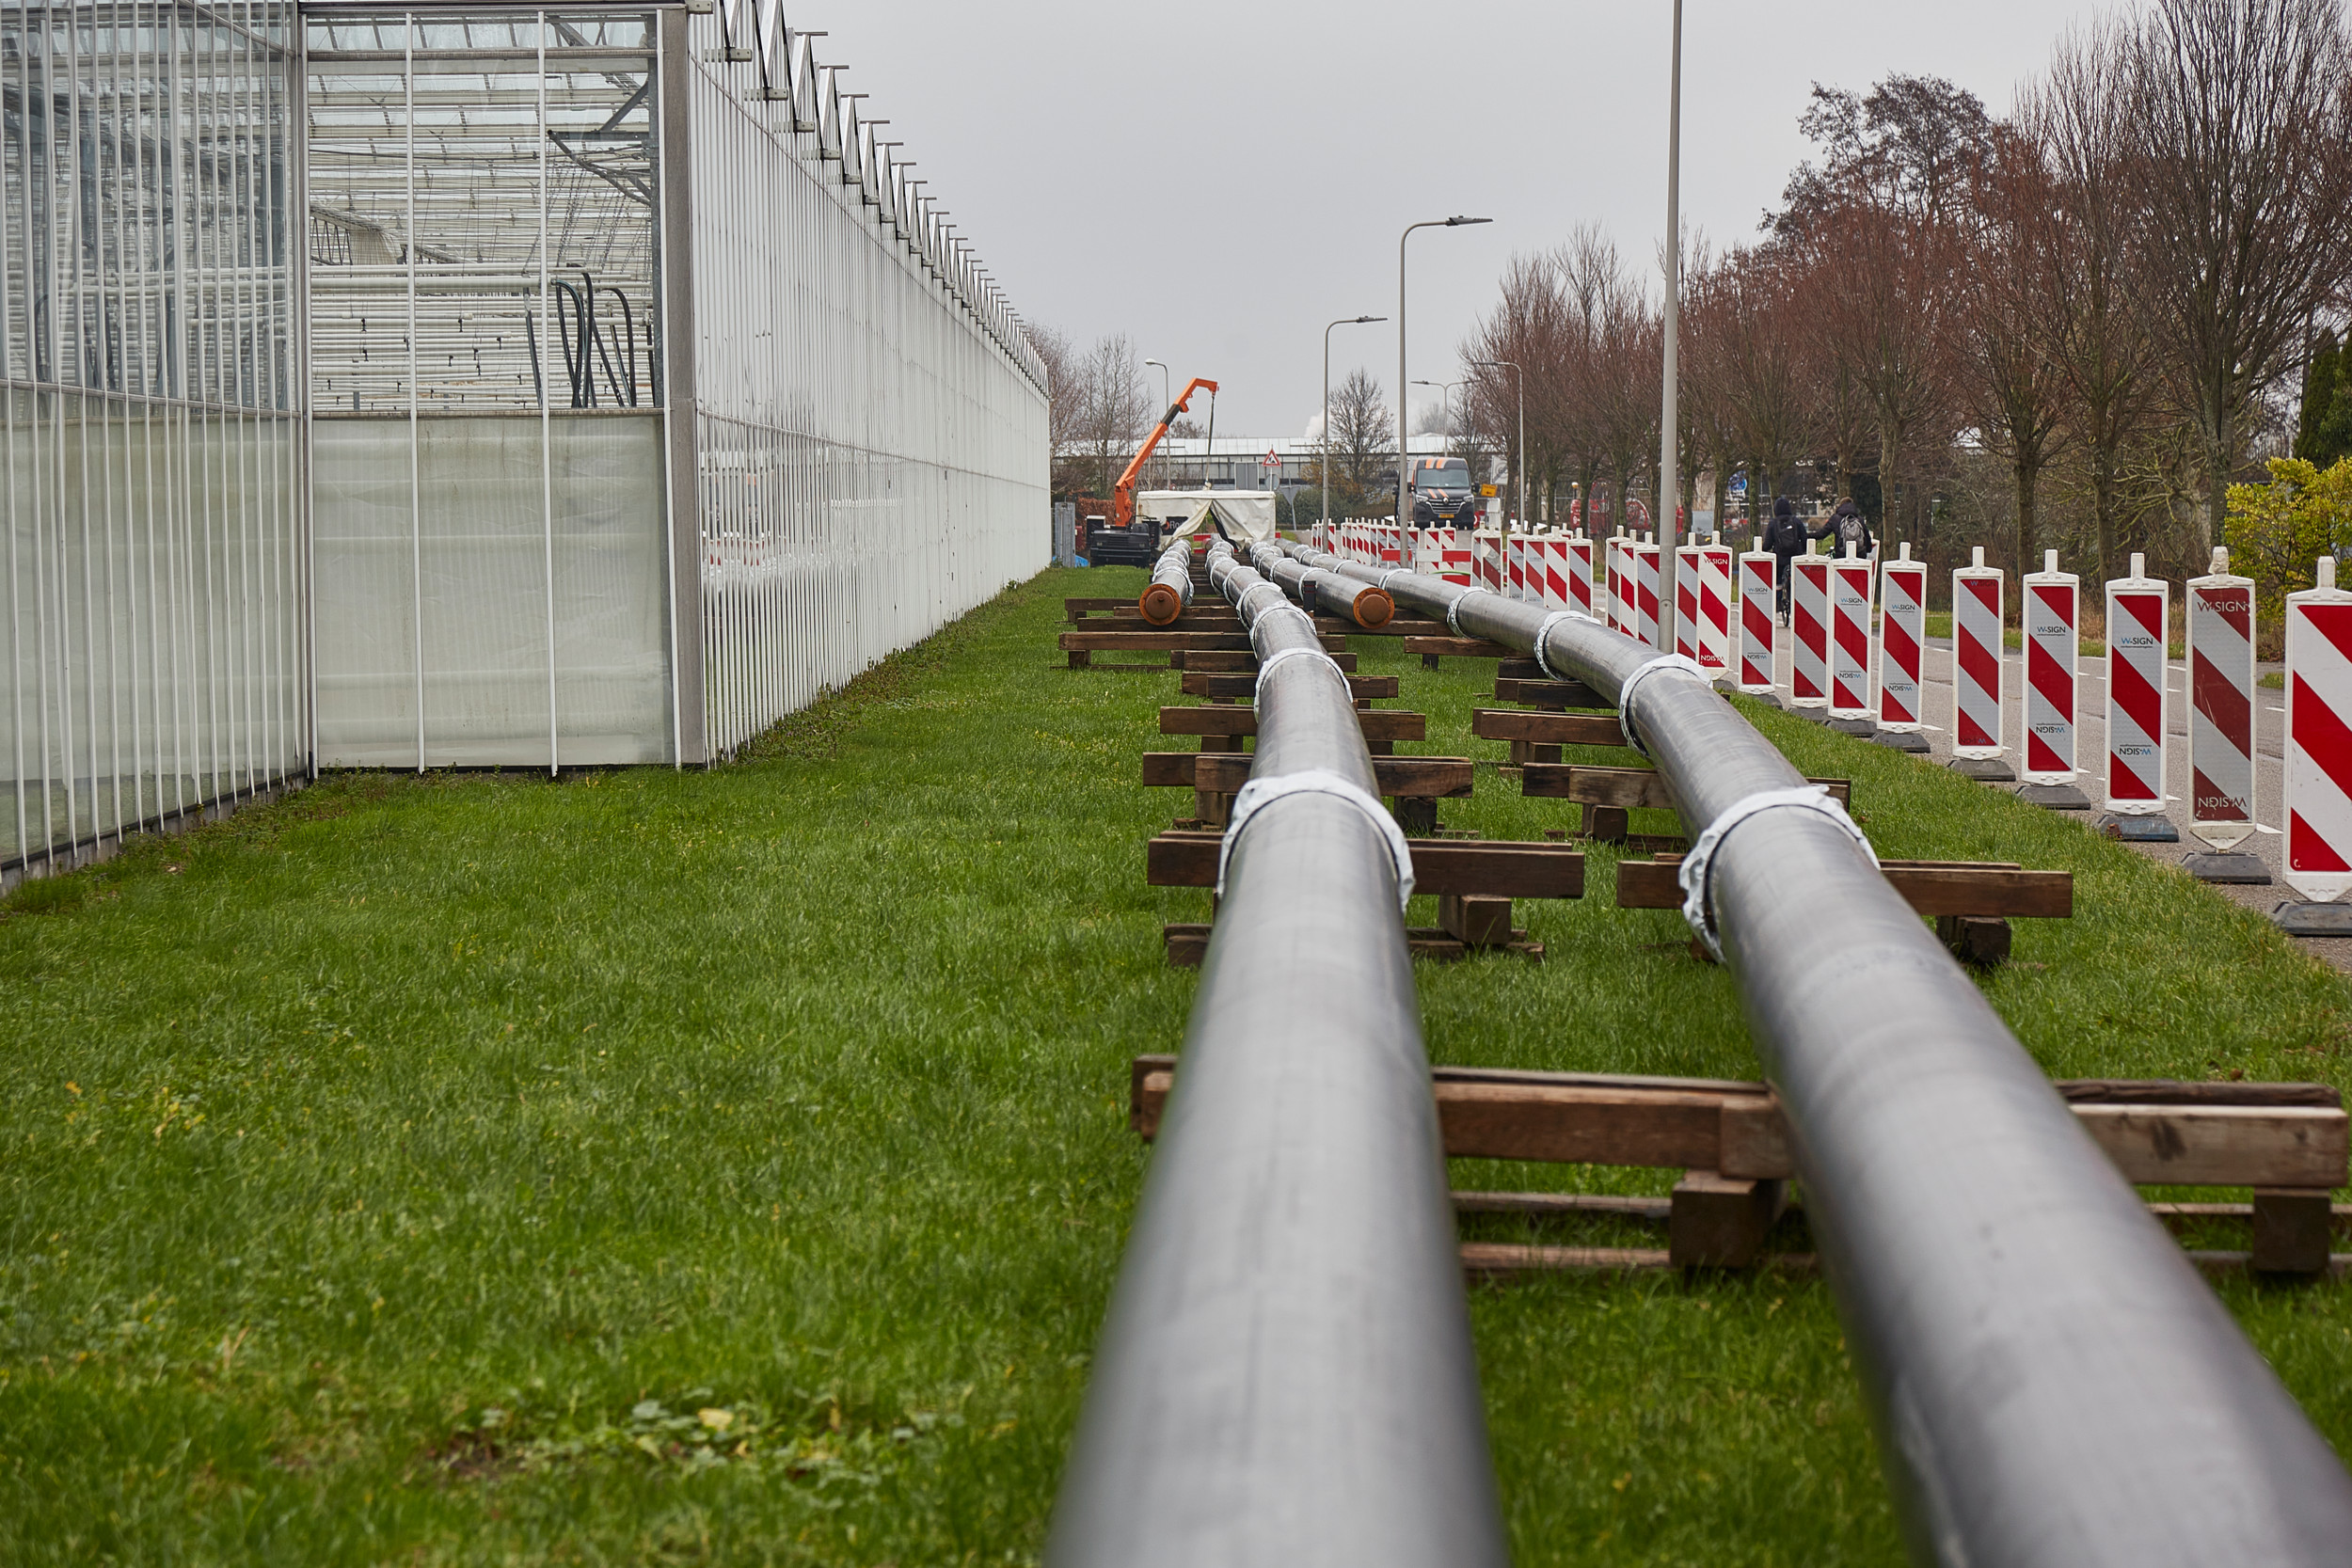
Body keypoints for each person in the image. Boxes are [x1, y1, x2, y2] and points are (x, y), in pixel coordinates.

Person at [1763, 496, 1809, 624]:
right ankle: (1798, 601)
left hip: (1780, 559)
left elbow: (1767, 543)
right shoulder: (1796, 521)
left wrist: (1761, 551)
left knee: (1777, 580)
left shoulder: (1773, 523)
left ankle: (1778, 602)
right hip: (1796, 558)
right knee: (1797, 581)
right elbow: (1805, 539)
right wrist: (1805, 552)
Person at [1817, 495, 1873, 561]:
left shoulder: (1835, 519)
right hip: (1859, 556)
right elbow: (1867, 536)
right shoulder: (1860, 519)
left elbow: (1822, 534)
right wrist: (1868, 549)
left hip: (1841, 557)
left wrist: (1806, 536)